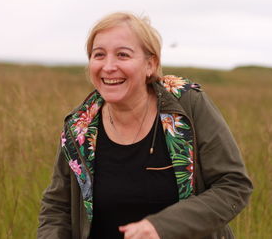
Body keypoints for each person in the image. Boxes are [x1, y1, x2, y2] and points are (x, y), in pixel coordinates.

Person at [37, 12, 253, 239]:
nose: (109, 66)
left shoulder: (187, 104)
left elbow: (233, 185)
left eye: (123, 55)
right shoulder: (79, 126)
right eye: (98, 55)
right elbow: (57, 207)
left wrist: (163, 227)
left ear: (150, 64)